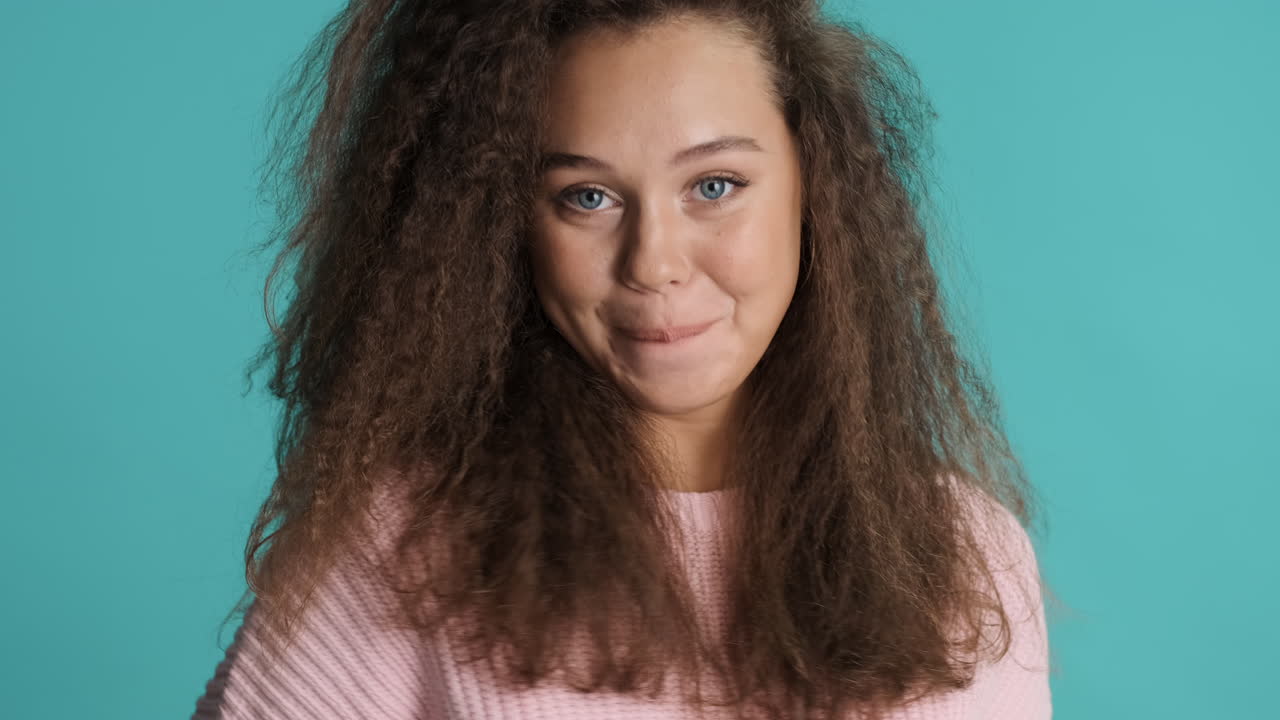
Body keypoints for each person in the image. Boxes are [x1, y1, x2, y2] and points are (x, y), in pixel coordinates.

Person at [192, 1, 1054, 718]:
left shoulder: (969, 558)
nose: (654, 262)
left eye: (714, 186)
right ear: (505, 226)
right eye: (587, 197)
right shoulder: (397, 549)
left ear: (813, 186)